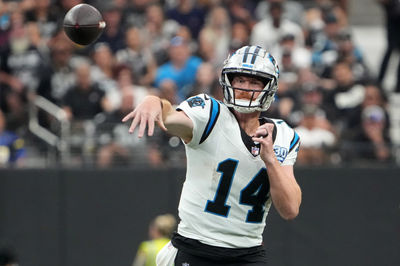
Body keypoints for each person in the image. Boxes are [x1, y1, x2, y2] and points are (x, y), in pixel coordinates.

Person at [123, 45, 302, 265]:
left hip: (247, 253)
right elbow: (172, 117)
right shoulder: (209, 113)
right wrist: (155, 102)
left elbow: (290, 209)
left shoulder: (283, 135)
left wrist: (271, 160)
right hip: (196, 249)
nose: (246, 88)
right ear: (229, 82)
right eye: (240, 80)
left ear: (269, 87)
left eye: (255, 82)